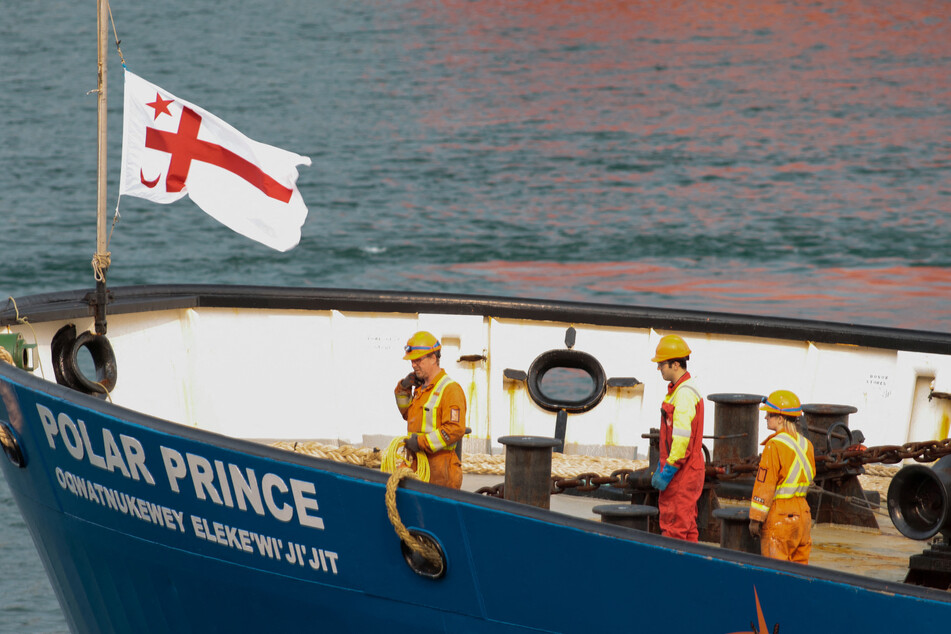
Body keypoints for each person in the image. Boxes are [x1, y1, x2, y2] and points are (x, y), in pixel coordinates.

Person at [748, 389, 816, 564]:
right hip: (804, 515)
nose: (765, 418)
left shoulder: (774, 445)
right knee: (799, 573)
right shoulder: (807, 444)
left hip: (781, 516)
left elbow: (765, 484)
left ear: (780, 418)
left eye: (769, 415)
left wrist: (756, 519)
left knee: (776, 573)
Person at [394, 331, 467, 489]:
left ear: (434, 358)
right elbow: (406, 413)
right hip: (416, 466)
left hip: (439, 473)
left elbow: (455, 429)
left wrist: (420, 443)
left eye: (418, 360)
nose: (413, 365)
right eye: (412, 361)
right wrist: (403, 388)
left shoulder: (450, 389)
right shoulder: (420, 390)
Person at [650, 334, 705, 542]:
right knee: (687, 525)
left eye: (661, 364)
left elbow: (682, 438)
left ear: (674, 364)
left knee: (674, 526)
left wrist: (669, 469)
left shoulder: (682, 395)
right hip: (688, 468)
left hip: (681, 473)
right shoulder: (684, 390)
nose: (659, 369)